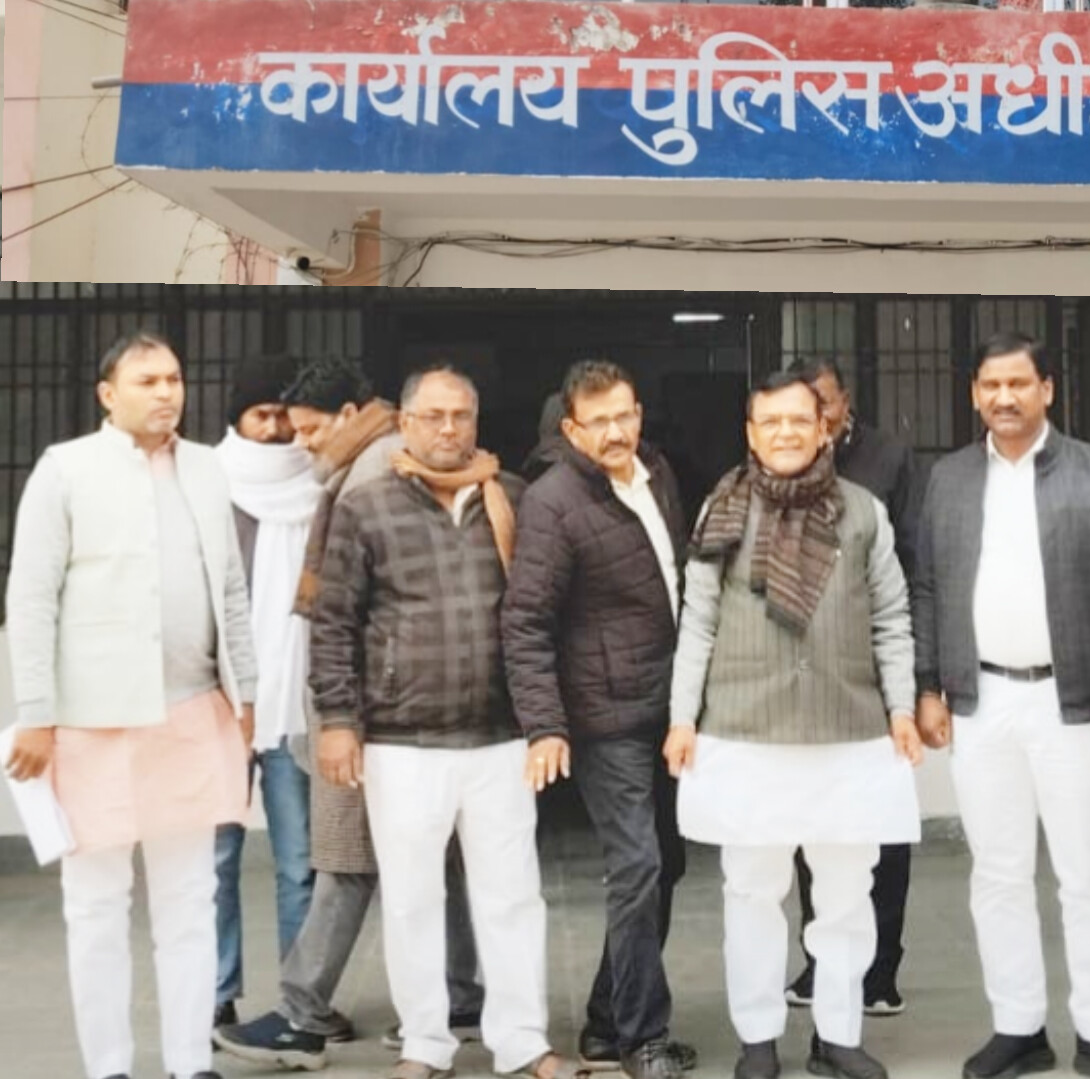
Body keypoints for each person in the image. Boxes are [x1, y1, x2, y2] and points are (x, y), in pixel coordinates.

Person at [216, 357, 482, 1070]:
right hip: (394, 705)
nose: (300, 443)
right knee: (435, 856)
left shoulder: (368, 473)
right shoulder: (366, 462)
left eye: (309, 430)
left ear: (345, 416)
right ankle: (460, 997)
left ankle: (302, 1012)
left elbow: (351, 610)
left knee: (345, 860)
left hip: (367, 710)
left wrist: (341, 715)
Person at [308, 365, 572, 1079]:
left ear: (476, 422)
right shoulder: (366, 508)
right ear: (406, 423)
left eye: (461, 415)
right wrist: (337, 719)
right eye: (433, 415)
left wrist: (545, 720)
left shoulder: (509, 497)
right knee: (412, 899)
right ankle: (425, 1042)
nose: (449, 428)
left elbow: (540, 615)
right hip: (402, 741)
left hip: (500, 737)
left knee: (513, 895)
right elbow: (333, 624)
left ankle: (522, 1039)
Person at [5, 330, 257, 1079]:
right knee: (95, 906)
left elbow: (230, 590)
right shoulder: (65, 469)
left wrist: (246, 692)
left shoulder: (207, 468)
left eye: (173, 378)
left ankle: (189, 1062)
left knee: (190, 899)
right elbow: (31, 596)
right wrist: (36, 713)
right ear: (107, 394)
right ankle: (108, 1067)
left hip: (193, 710)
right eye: (147, 381)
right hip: (92, 723)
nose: (166, 392)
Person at [665, 368, 923, 1079]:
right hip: (744, 731)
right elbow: (698, 620)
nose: (786, 432)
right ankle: (757, 1037)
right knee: (752, 892)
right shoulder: (722, 508)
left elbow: (892, 616)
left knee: (845, 895)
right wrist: (682, 718)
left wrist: (901, 708)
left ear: (825, 428)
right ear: (752, 434)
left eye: (799, 420)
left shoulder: (864, 511)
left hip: (849, 731)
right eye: (771, 422)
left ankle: (838, 1034)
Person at [914, 332, 1090, 1079]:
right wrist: (928, 685)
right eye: (990, 385)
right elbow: (928, 586)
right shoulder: (950, 478)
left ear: (1048, 389)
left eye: (1018, 383)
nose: (1004, 398)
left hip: (1073, 702)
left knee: (1088, 874)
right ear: (974, 394)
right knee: (997, 873)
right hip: (981, 702)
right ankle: (1018, 1026)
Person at [503, 361, 697, 1079]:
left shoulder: (657, 474)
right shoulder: (552, 502)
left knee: (665, 862)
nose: (615, 431)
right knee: (637, 864)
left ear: (638, 414)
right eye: (599, 421)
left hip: (667, 707)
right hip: (604, 716)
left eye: (624, 415)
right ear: (571, 429)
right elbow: (525, 621)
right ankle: (644, 1037)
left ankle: (606, 1023)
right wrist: (545, 725)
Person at [211, 356, 321, 1028]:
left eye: (284, 415)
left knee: (299, 862)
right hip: (222, 702)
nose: (277, 428)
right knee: (215, 858)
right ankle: (216, 993)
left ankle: (299, 1003)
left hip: (295, 701)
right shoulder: (209, 484)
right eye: (262, 415)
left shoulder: (319, 484)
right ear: (238, 418)